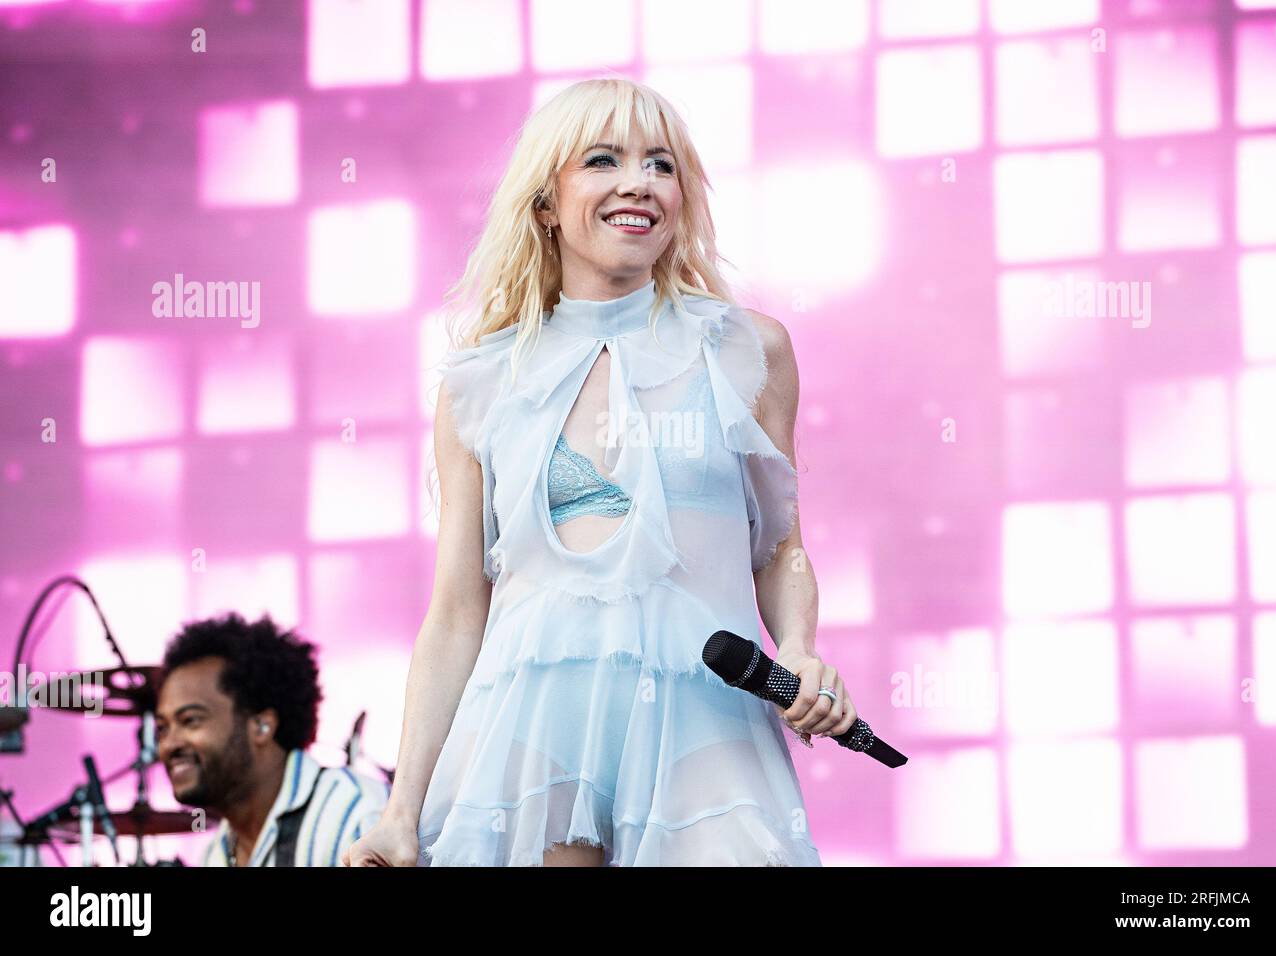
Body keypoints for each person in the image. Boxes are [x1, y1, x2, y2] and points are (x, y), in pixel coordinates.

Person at [346, 77, 857, 868]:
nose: (637, 183)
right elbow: (454, 611)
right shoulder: (481, 381)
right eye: (602, 160)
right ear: (546, 202)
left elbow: (779, 547)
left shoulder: (747, 349)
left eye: (661, 164)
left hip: (703, 730)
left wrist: (798, 647)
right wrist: (400, 813)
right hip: (532, 735)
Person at [155, 611, 389, 866]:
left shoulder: (356, 815)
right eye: (163, 728)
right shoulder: (216, 853)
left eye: (190, 720)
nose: (169, 744)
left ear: (262, 725)